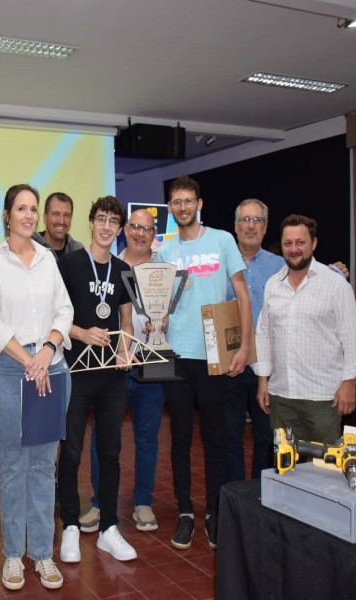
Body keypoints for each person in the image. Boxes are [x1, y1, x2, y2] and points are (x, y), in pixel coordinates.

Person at [0, 183, 73, 591]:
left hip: (50, 366)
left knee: (43, 465)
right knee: (13, 464)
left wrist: (48, 350)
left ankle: (43, 554)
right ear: (7, 215)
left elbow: (64, 309)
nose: (29, 216)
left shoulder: (48, 258)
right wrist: (29, 360)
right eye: (22, 208)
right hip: (6, 369)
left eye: (34, 209)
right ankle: (14, 554)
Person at [156, 175, 252, 551]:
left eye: (188, 201)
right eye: (176, 202)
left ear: (199, 204)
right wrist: (157, 319)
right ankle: (185, 512)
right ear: (170, 208)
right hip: (177, 356)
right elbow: (161, 303)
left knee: (216, 439)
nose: (183, 207)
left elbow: (242, 295)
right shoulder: (165, 250)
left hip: (215, 356)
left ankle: (214, 512)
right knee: (180, 439)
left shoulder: (222, 240)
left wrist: (244, 347)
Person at [57, 195, 137, 563]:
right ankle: (71, 526)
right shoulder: (69, 264)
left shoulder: (123, 270)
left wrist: (124, 350)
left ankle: (108, 528)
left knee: (110, 452)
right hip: (75, 373)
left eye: (113, 222)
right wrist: (81, 333)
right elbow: (54, 316)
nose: (106, 226)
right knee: (71, 452)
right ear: (91, 223)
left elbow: (126, 320)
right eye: (101, 219)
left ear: (119, 229)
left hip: (111, 378)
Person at [82, 209, 165, 534]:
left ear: (154, 234)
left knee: (147, 438)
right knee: (103, 438)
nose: (141, 234)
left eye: (148, 229)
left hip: (152, 361)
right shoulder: (109, 266)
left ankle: (143, 502)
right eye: (136, 227)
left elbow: (177, 311)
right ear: (126, 229)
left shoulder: (165, 268)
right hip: (114, 364)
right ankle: (99, 503)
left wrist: (166, 321)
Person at [255, 214, 356, 444]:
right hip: (281, 396)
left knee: (325, 463)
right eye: (288, 243)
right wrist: (263, 380)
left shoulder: (335, 285)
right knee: (285, 462)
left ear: (313, 244)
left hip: (322, 397)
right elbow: (264, 335)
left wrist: (350, 382)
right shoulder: (273, 285)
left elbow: (352, 337)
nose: (294, 249)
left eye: (300, 242)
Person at [224, 199, 284, 482]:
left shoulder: (280, 266)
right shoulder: (220, 264)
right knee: (229, 435)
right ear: (235, 226)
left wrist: (335, 270)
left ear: (266, 227)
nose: (250, 226)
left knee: (267, 436)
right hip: (229, 364)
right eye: (245, 220)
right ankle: (236, 495)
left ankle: (262, 495)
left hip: (268, 366)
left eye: (257, 220)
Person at [31, 191, 84, 259]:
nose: (61, 221)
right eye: (56, 214)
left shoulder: (78, 251)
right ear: (45, 217)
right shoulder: (31, 246)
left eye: (66, 215)